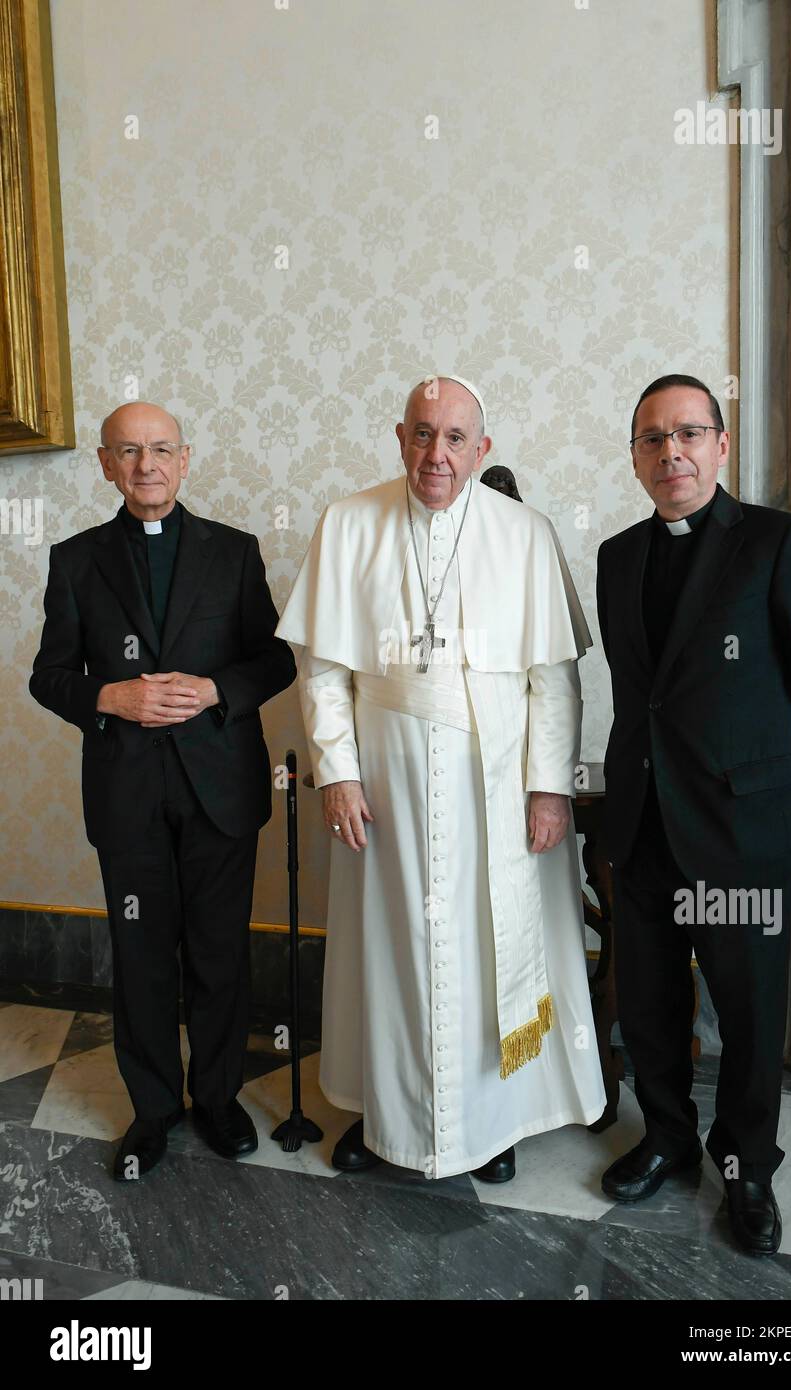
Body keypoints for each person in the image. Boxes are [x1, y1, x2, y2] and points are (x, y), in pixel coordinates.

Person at [276, 374, 606, 1182]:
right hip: (382, 788)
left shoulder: (524, 533)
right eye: (423, 434)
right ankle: (383, 1114)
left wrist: (549, 786)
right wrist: (338, 775)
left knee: (485, 948)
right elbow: (321, 672)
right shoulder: (348, 522)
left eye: (456, 438)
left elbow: (552, 676)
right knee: (387, 947)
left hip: (493, 788)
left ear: (482, 448)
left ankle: (488, 1126)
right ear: (399, 437)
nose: (437, 453)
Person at [595, 373, 791, 1254]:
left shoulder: (777, 542)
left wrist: (773, 784)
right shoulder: (617, 557)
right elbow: (644, 699)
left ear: (721, 445)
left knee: (746, 1015)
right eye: (653, 439)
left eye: (690, 433)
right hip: (644, 830)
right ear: (635, 456)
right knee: (652, 1005)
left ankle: (747, 1169)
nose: (672, 452)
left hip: (741, 834)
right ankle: (665, 1137)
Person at [30, 402, 296, 1180]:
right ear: (106, 466)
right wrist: (108, 698)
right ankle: (153, 1111)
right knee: (142, 955)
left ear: (185, 459)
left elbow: (274, 661)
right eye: (128, 452)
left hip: (220, 787)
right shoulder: (75, 559)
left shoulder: (236, 552)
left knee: (219, 954)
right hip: (128, 795)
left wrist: (216, 689)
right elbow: (49, 676)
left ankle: (215, 1098)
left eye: (160, 450)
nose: (146, 465)